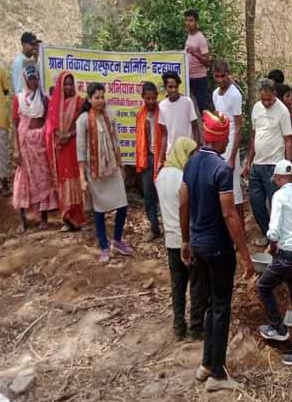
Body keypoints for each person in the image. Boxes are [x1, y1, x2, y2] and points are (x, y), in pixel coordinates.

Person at [181, 111, 255, 392]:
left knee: (210, 305)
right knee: (222, 307)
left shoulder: (191, 164)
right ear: (220, 136)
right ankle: (219, 375)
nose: (228, 139)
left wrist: (186, 240)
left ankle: (206, 364)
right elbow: (230, 215)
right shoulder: (221, 169)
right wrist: (245, 254)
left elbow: (183, 204)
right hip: (218, 248)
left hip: (198, 245)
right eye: (226, 135)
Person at [256, 159, 292, 367]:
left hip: (286, 257)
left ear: (279, 178)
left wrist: (271, 244)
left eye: (276, 180)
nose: (276, 182)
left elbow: (274, 231)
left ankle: (278, 328)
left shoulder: (279, 196)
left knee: (262, 286)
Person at [156, 137, 206, 341]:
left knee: (177, 285)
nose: (194, 158)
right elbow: (189, 207)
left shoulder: (161, 176)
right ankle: (195, 328)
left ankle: (178, 327)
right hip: (188, 238)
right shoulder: (184, 178)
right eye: (192, 154)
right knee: (196, 284)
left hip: (171, 239)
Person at [77, 83, 133, 262]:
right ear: (89, 99)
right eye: (96, 98)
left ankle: (117, 240)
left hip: (112, 168)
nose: (100, 101)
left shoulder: (110, 115)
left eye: (102, 97)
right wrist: (82, 178)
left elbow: (116, 141)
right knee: (99, 210)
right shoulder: (83, 120)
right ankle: (103, 246)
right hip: (95, 172)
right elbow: (80, 151)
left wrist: (121, 164)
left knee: (123, 205)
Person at [243, 79, 292, 246]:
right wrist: (248, 161)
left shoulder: (283, 111)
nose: (266, 103)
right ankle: (269, 235)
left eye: (269, 99)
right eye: (263, 99)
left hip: (274, 165)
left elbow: (288, 140)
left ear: (275, 95)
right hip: (257, 165)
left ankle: (281, 239)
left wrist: (288, 167)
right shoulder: (257, 109)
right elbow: (254, 136)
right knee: (256, 204)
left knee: (276, 205)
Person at [12, 65, 56, 232]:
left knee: (43, 178)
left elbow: (48, 121)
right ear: (25, 79)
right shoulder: (19, 98)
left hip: (40, 143)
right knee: (23, 180)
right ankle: (22, 220)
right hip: (25, 143)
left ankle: (43, 218)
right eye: (30, 78)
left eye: (36, 78)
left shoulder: (44, 99)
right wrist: (16, 149)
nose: (33, 81)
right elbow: (15, 125)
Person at [46, 71, 87, 231]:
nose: (69, 87)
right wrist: (59, 136)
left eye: (71, 84)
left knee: (75, 179)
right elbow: (51, 125)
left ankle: (78, 217)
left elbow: (82, 123)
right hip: (61, 147)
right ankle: (67, 216)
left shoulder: (79, 102)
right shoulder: (55, 104)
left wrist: (69, 135)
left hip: (74, 145)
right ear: (61, 86)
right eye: (66, 84)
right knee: (64, 179)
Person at [212, 59, 244, 218]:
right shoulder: (215, 94)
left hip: (231, 144)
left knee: (235, 189)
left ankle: (240, 231)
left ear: (228, 75)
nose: (220, 80)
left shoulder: (235, 95)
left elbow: (239, 127)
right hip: (219, 144)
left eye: (223, 76)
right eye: (217, 76)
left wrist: (232, 156)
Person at [135, 82, 163, 240]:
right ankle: (154, 228)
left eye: (153, 98)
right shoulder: (140, 114)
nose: (151, 101)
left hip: (162, 159)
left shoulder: (163, 111)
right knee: (149, 196)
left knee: (165, 195)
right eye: (148, 98)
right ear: (143, 97)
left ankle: (170, 228)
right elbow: (140, 140)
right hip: (147, 159)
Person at [158, 71, 200, 169]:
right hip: (171, 154)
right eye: (170, 87)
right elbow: (164, 134)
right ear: (165, 88)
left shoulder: (187, 102)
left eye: (175, 87)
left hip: (188, 152)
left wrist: (196, 149)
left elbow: (195, 126)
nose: (173, 90)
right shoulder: (162, 105)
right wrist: (161, 158)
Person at [184, 9, 213, 114]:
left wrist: (195, 53)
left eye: (191, 20)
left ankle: (208, 128)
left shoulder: (201, 38)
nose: (188, 23)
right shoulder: (189, 36)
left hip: (200, 78)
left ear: (196, 22)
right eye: (186, 20)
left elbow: (208, 62)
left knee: (203, 107)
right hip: (190, 77)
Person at [0, 60, 12, 196]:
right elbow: (6, 90)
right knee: (2, 150)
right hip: (0, 116)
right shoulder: (1, 68)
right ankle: (4, 184)